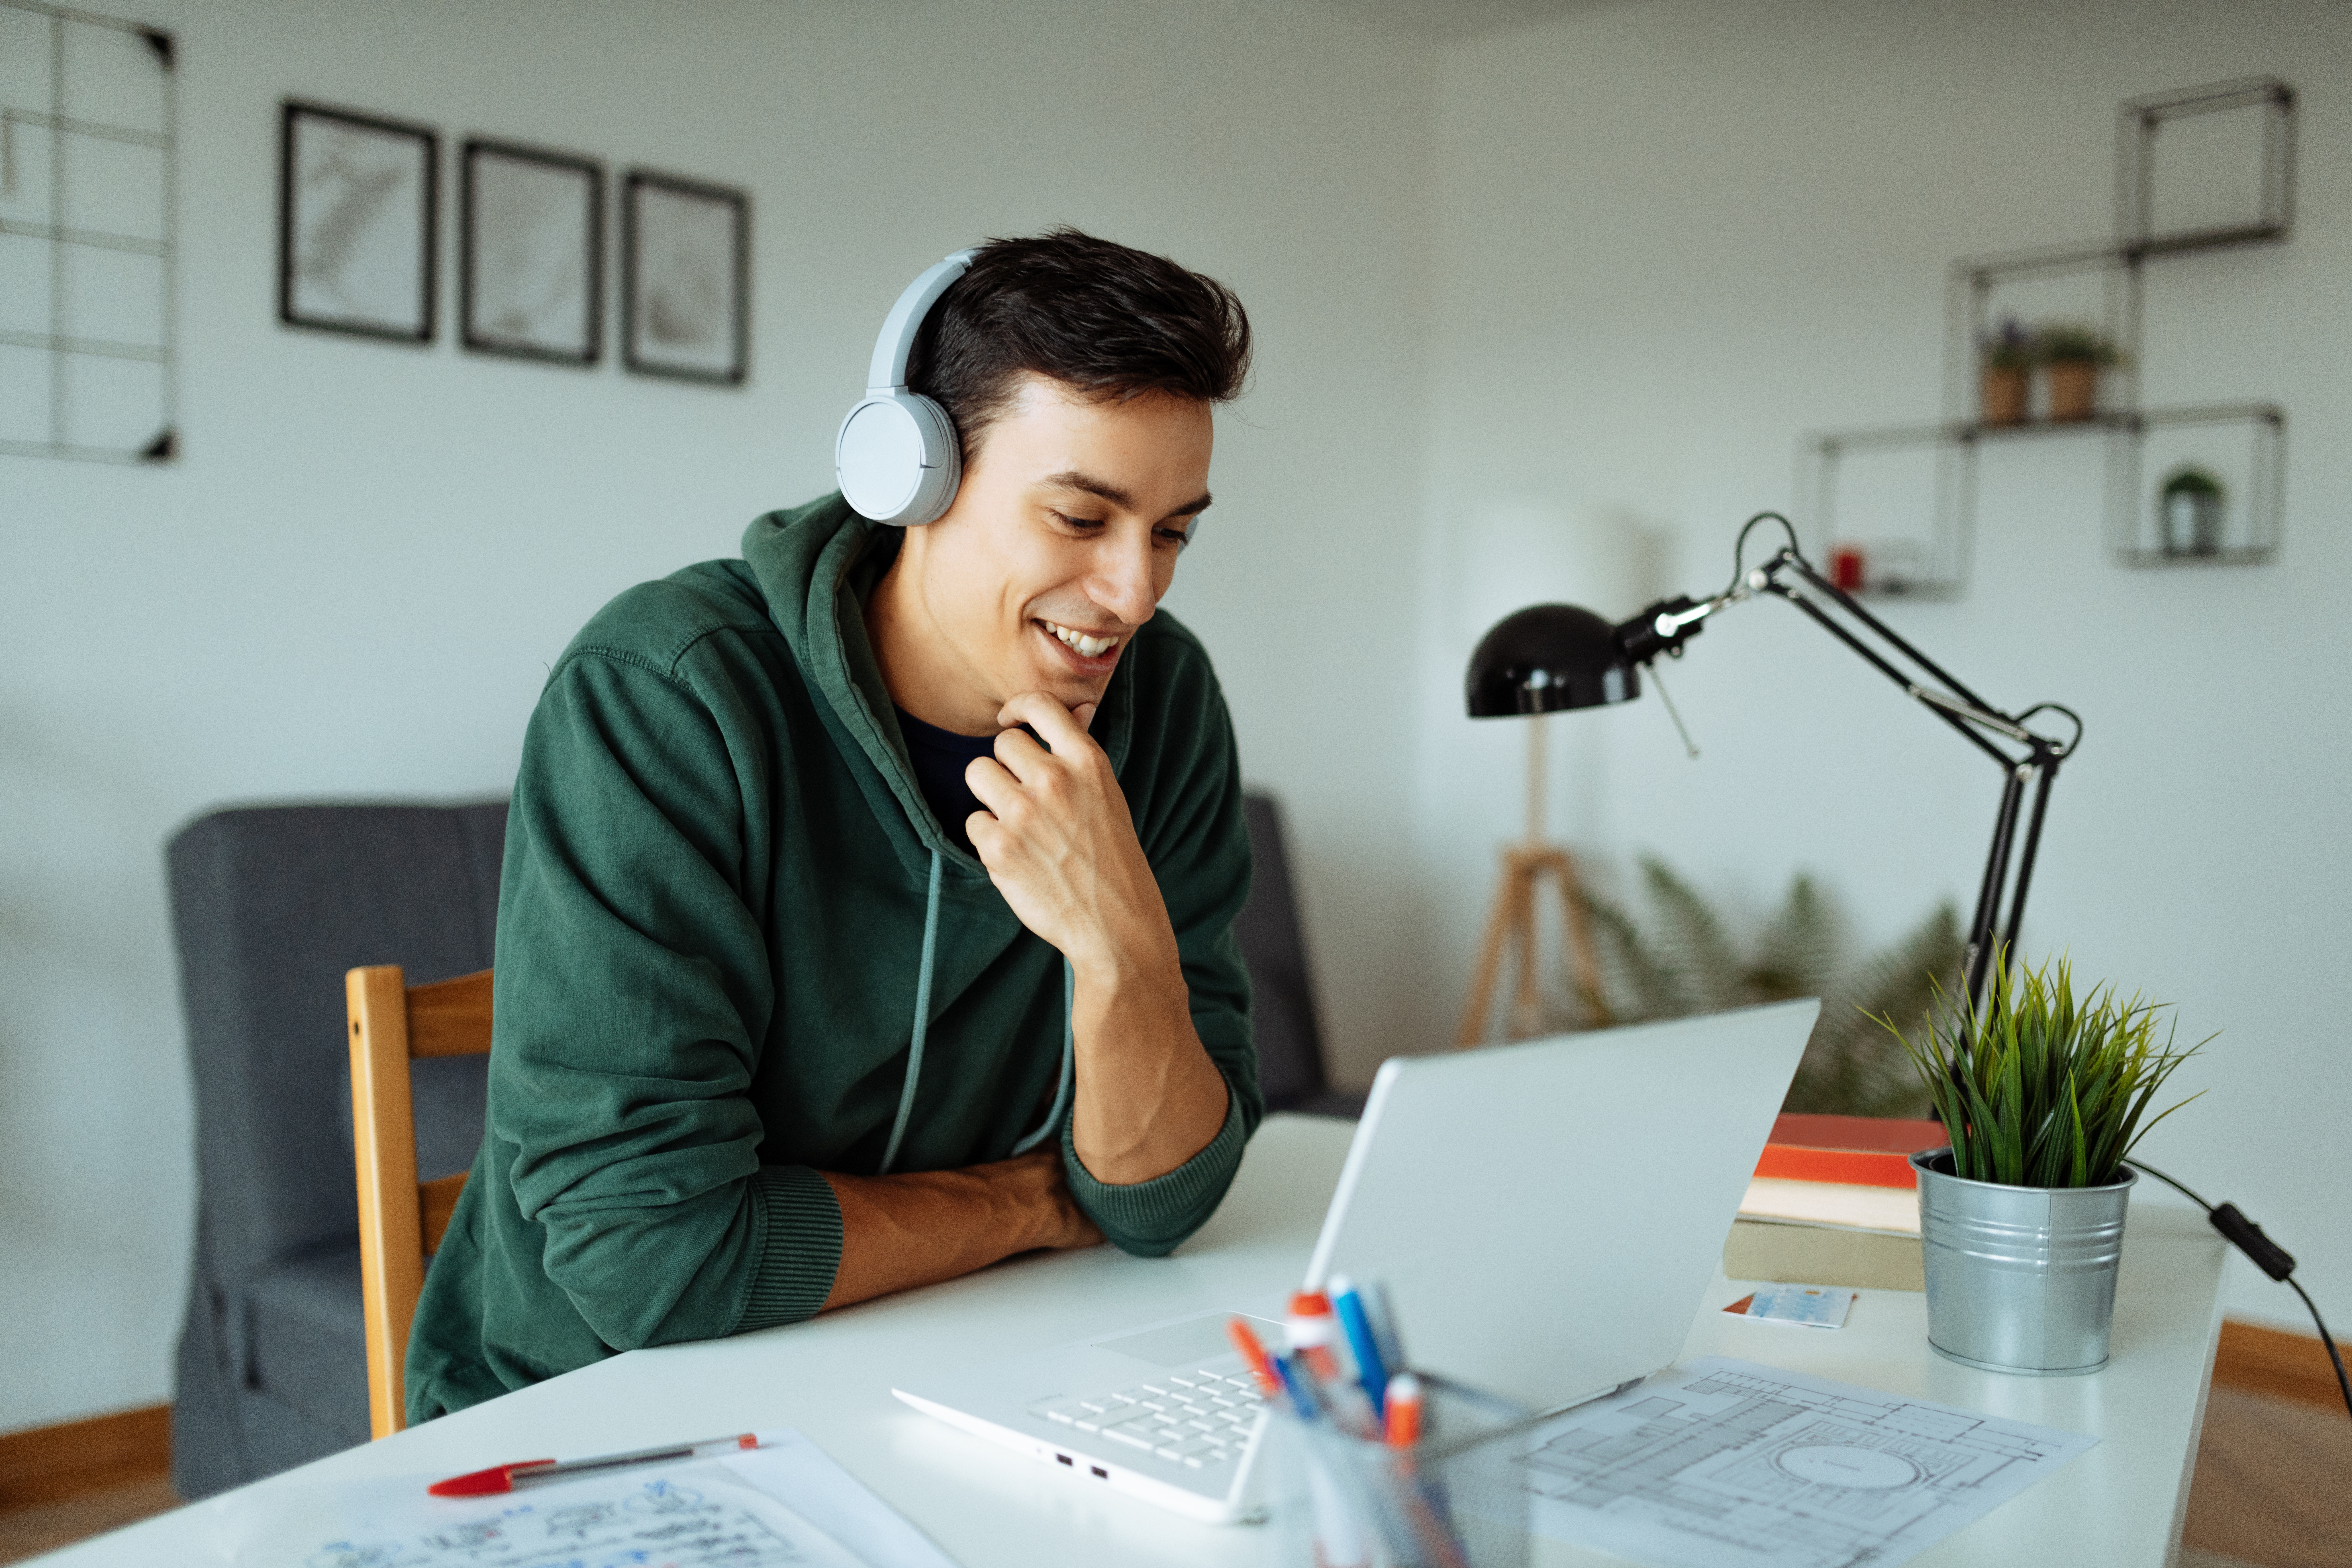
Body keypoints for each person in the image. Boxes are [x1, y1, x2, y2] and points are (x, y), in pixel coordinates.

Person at [405, 229, 1263, 1420]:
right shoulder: (669, 694)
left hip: (960, 1370)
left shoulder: (1166, 706)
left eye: (1172, 530)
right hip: (598, 1408)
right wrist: (1030, 1201)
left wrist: (1123, 950)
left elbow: (1163, 1199)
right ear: (907, 476)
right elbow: (654, 1260)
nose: (1137, 591)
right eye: (1081, 517)